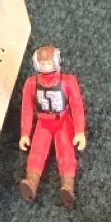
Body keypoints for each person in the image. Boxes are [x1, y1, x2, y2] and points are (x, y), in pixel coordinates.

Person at [18, 45, 87, 206]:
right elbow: (27, 109)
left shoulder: (67, 81)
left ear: (56, 62)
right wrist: (25, 134)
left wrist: (79, 131)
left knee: (66, 151)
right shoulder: (31, 83)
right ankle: (31, 182)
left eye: (48, 63)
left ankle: (67, 186)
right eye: (42, 63)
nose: (45, 67)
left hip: (62, 121)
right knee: (37, 150)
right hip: (43, 122)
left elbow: (77, 106)